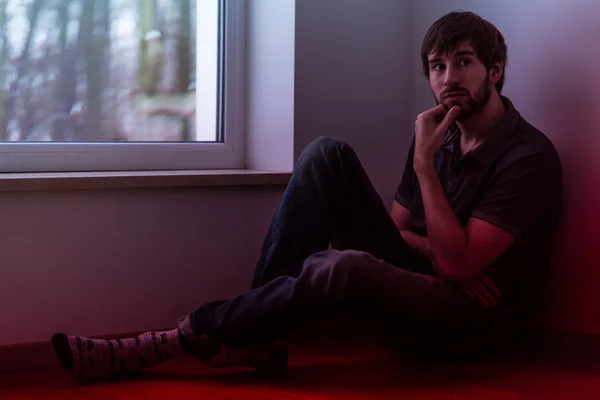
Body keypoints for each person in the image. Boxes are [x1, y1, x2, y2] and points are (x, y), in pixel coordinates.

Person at [51, 11, 563, 382]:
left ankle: (167, 341)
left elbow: (449, 265)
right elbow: (404, 233)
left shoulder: (528, 157)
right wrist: (444, 254)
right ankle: (258, 340)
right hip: (430, 288)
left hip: (472, 329)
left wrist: (427, 177)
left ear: (494, 71)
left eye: (464, 63)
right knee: (326, 153)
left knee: (345, 266)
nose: (448, 79)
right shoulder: (438, 134)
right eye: (437, 66)